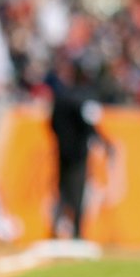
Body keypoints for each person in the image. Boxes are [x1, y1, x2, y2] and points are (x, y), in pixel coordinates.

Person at [47, 60, 114, 240]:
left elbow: (51, 123)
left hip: (63, 150)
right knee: (77, 191)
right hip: (78, 153)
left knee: (62, 189)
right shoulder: (85, 97)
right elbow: (90, 125)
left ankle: (55, 229)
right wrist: (104, 142)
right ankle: (76, 232)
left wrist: (61, 141)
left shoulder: (61, 96)